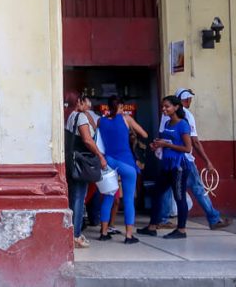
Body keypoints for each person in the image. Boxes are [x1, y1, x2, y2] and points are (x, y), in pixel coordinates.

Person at [155, 89, 230, 230]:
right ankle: (213, 218)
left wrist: (162, 146)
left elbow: (163, 136)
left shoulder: (166, 118)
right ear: (182, 102)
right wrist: (207, 161)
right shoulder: (185, 117)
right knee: (196, 188)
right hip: (184, 161)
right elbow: (192, 143)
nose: (190, 102)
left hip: (168, 159)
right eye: (188, 99)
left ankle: (162, 219)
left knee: (168, 190)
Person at [138, 95, 193, 239]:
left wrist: (167, 145)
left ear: (176, 107)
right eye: (163, 106)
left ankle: (181, 230)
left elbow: (188, 148)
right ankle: (152, 226)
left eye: (167, 106)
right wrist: (156, 144)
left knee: (179, 197)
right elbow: (165, 141)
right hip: (167, 165)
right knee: (157, 193)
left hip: (179, 166)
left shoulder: (183, 124)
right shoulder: (168, 124)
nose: (164, 109)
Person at [95, 96, 146, 243]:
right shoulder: (126, 119)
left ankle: (104, 232)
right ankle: (129, 235)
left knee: (108, 196)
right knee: (129, 199)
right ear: (121, 107)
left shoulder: (101, 121)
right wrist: (131, 134)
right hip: (127, 163)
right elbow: (144, 134)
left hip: (109, 161)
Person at [65, 93, 106, 249]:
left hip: (72, 159)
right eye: (86, 102)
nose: (89, 105)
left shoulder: (71, 116)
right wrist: (100, 156)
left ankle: (73, 232)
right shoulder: (80, 117)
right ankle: (75, 235)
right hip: (82, 161)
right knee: (78, 197)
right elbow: (87, 140)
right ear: (79, 102)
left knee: (75, 196)